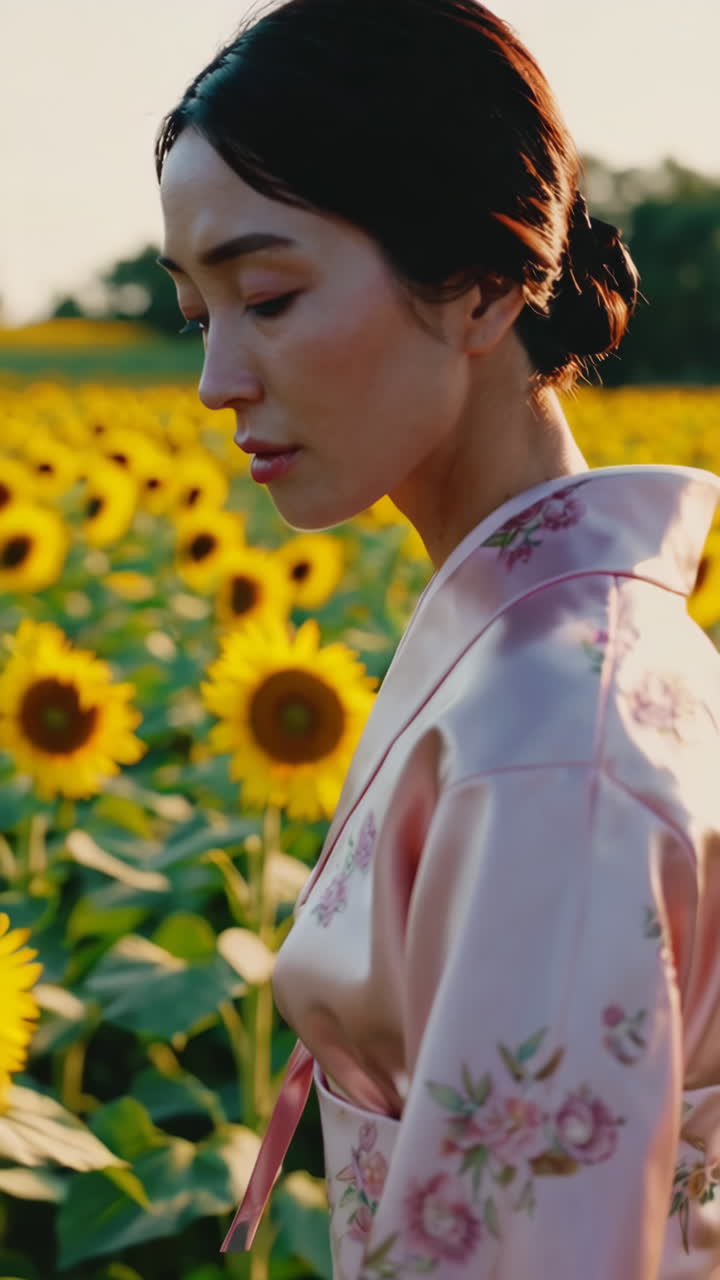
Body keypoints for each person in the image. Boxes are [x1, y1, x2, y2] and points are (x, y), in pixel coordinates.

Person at [154, 0, 720, 1274]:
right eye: (200, 313)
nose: (216, 379)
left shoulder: (553, 747)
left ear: (480, 281)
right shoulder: (568, 654)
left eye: (270, 294)